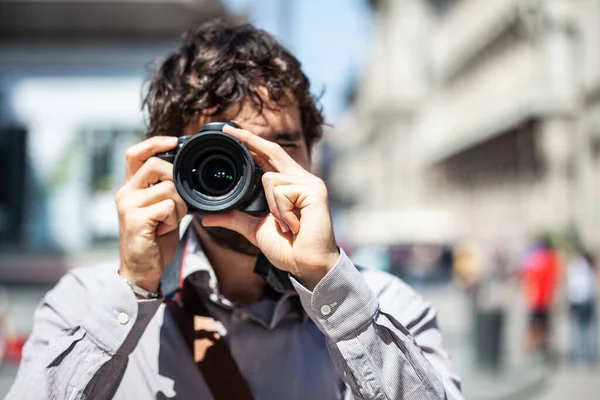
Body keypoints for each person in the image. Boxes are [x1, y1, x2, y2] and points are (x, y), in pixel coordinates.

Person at [7, 19, 462, 399]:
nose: (256, 173)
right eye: (226, 152)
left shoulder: (385, 306)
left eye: (280, 146)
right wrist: (134, 290)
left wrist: (332, 291)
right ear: (169, 160)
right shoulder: (85, 304)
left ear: (311, 157)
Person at [520, 236, 559, 358]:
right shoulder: (552, 260)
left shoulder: (533, 259)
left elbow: (526, 276)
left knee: (534, 326)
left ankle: (532, 348)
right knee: (543, 327)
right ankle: (540, 348)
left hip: (535, 300)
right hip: (545, 301)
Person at [566, 248, 598, 364]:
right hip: (586, 300)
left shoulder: (574, 266)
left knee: (577, 328)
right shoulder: (588, 267)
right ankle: (588, 354)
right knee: (586, 328)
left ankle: (577, 353)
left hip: (576, 300)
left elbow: (571, 284)